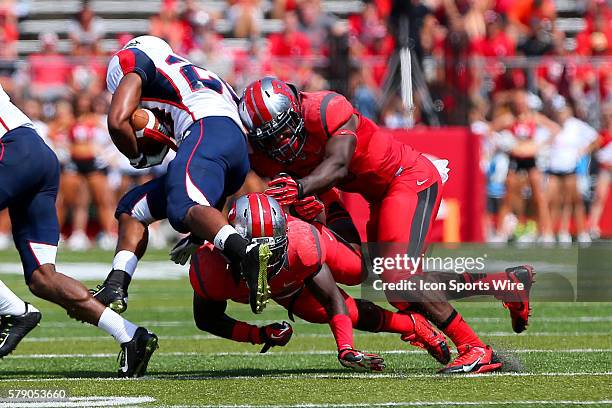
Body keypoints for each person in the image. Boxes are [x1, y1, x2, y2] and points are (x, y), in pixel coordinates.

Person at [239, 77, 533, 373]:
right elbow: (328, 199)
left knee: (400, 278)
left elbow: (338, 164)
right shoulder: (271, 156)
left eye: (284, 129)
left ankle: (475, 347)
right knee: (397, 291)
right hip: (379, 197)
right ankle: (505, 284)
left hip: (407, 178)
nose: (282, 142)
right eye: (271, 138)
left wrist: (301, 189)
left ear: (295, 110)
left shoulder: (325, 108)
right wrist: (324, 220)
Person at [92, 35, 270, 315]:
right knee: (133, 208)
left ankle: (245, 251)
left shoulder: (135, 61)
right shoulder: (192, 72)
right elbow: (213, 184)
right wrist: (199, 236)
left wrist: (136, 155)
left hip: (206, 130)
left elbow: (117, 121)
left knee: (182, 207)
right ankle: (116, 283)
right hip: (230, 146)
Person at [0, 84, 157, 377]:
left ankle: (16, 312)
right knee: (42, 278)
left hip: (13, 149)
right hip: (36, 153)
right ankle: (131, 336)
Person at [189, 193, 450, 370]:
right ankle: (413, 325)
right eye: (261, 256)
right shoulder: (212, 268)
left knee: (359, 270)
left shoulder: (300, 245)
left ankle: (330, 199)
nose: (267, 263)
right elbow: (207, 319)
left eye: (272, 252)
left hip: (305, 252)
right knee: (332, 314)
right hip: (285, 283)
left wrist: (345, 348)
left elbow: (331, 296)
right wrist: (257, 334)